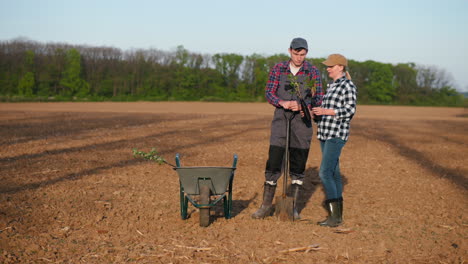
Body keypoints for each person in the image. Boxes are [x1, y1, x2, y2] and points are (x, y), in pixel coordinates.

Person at [252, 37, 323, 220]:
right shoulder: (278, 69)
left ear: (306, 53)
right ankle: (266, 206)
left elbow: (318, 97)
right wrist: (282, 102)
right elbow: (269, 92)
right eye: (296, 53)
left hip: (302, 123)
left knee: (298, 163)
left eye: (303, 54)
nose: (299, 57)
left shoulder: (312, 72)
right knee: (274, 160)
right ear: (290, 51)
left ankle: (292, 207)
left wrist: (303, 107)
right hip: (281, 120)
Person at [311, 54, 357, 227]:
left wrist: (326, 112)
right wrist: (316, 114)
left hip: (336, 134)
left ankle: (334, 217)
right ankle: (336, 217)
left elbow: (349, 110)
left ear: (340, 67)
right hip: (324, 133)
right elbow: (326, 110)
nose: (327, 69)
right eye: (327, 66)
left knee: (324, 173)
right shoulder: (331, 86)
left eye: (330, 66)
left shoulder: (348, 85)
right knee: (334, 173)